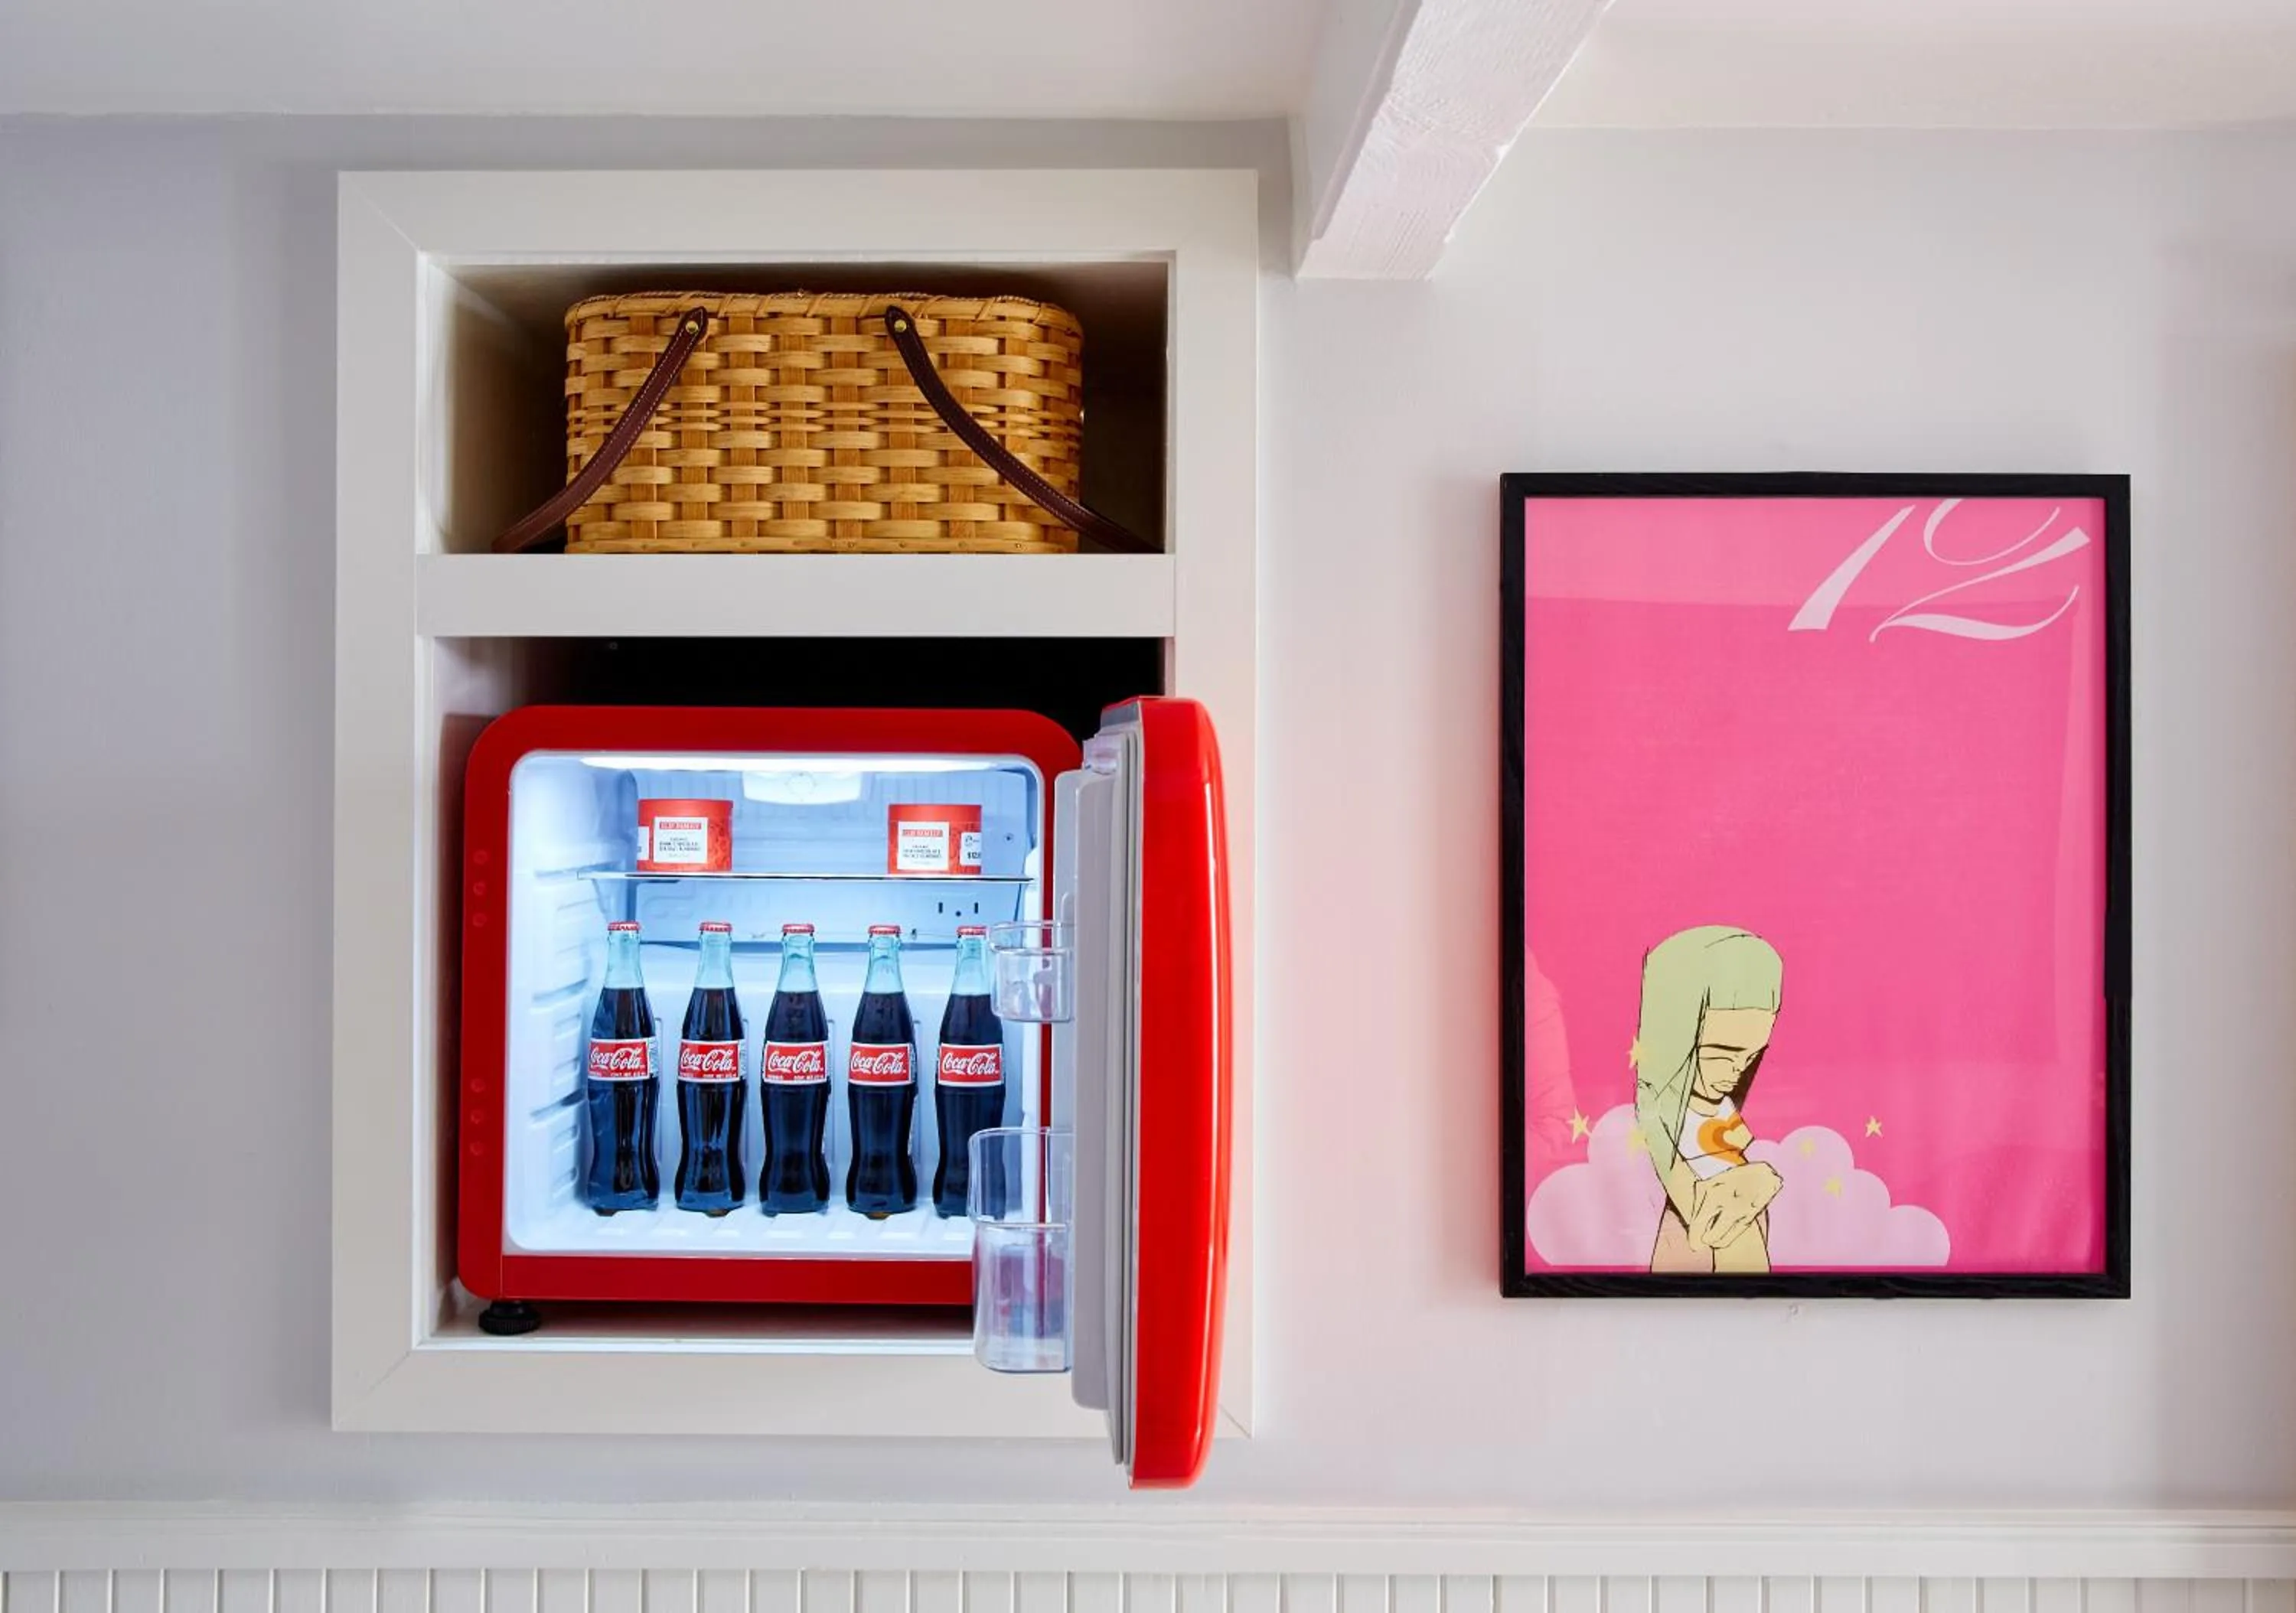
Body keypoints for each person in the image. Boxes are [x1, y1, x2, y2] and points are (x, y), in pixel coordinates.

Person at [1634, 925, 1786, 1272]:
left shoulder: (1718, 1102)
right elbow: (1698, 1213)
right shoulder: (1660, 1112)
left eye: (1750, 1057)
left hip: (1740, 1216)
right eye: (1720, 1053)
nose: (1736, 1071)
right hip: (1703, 1227)